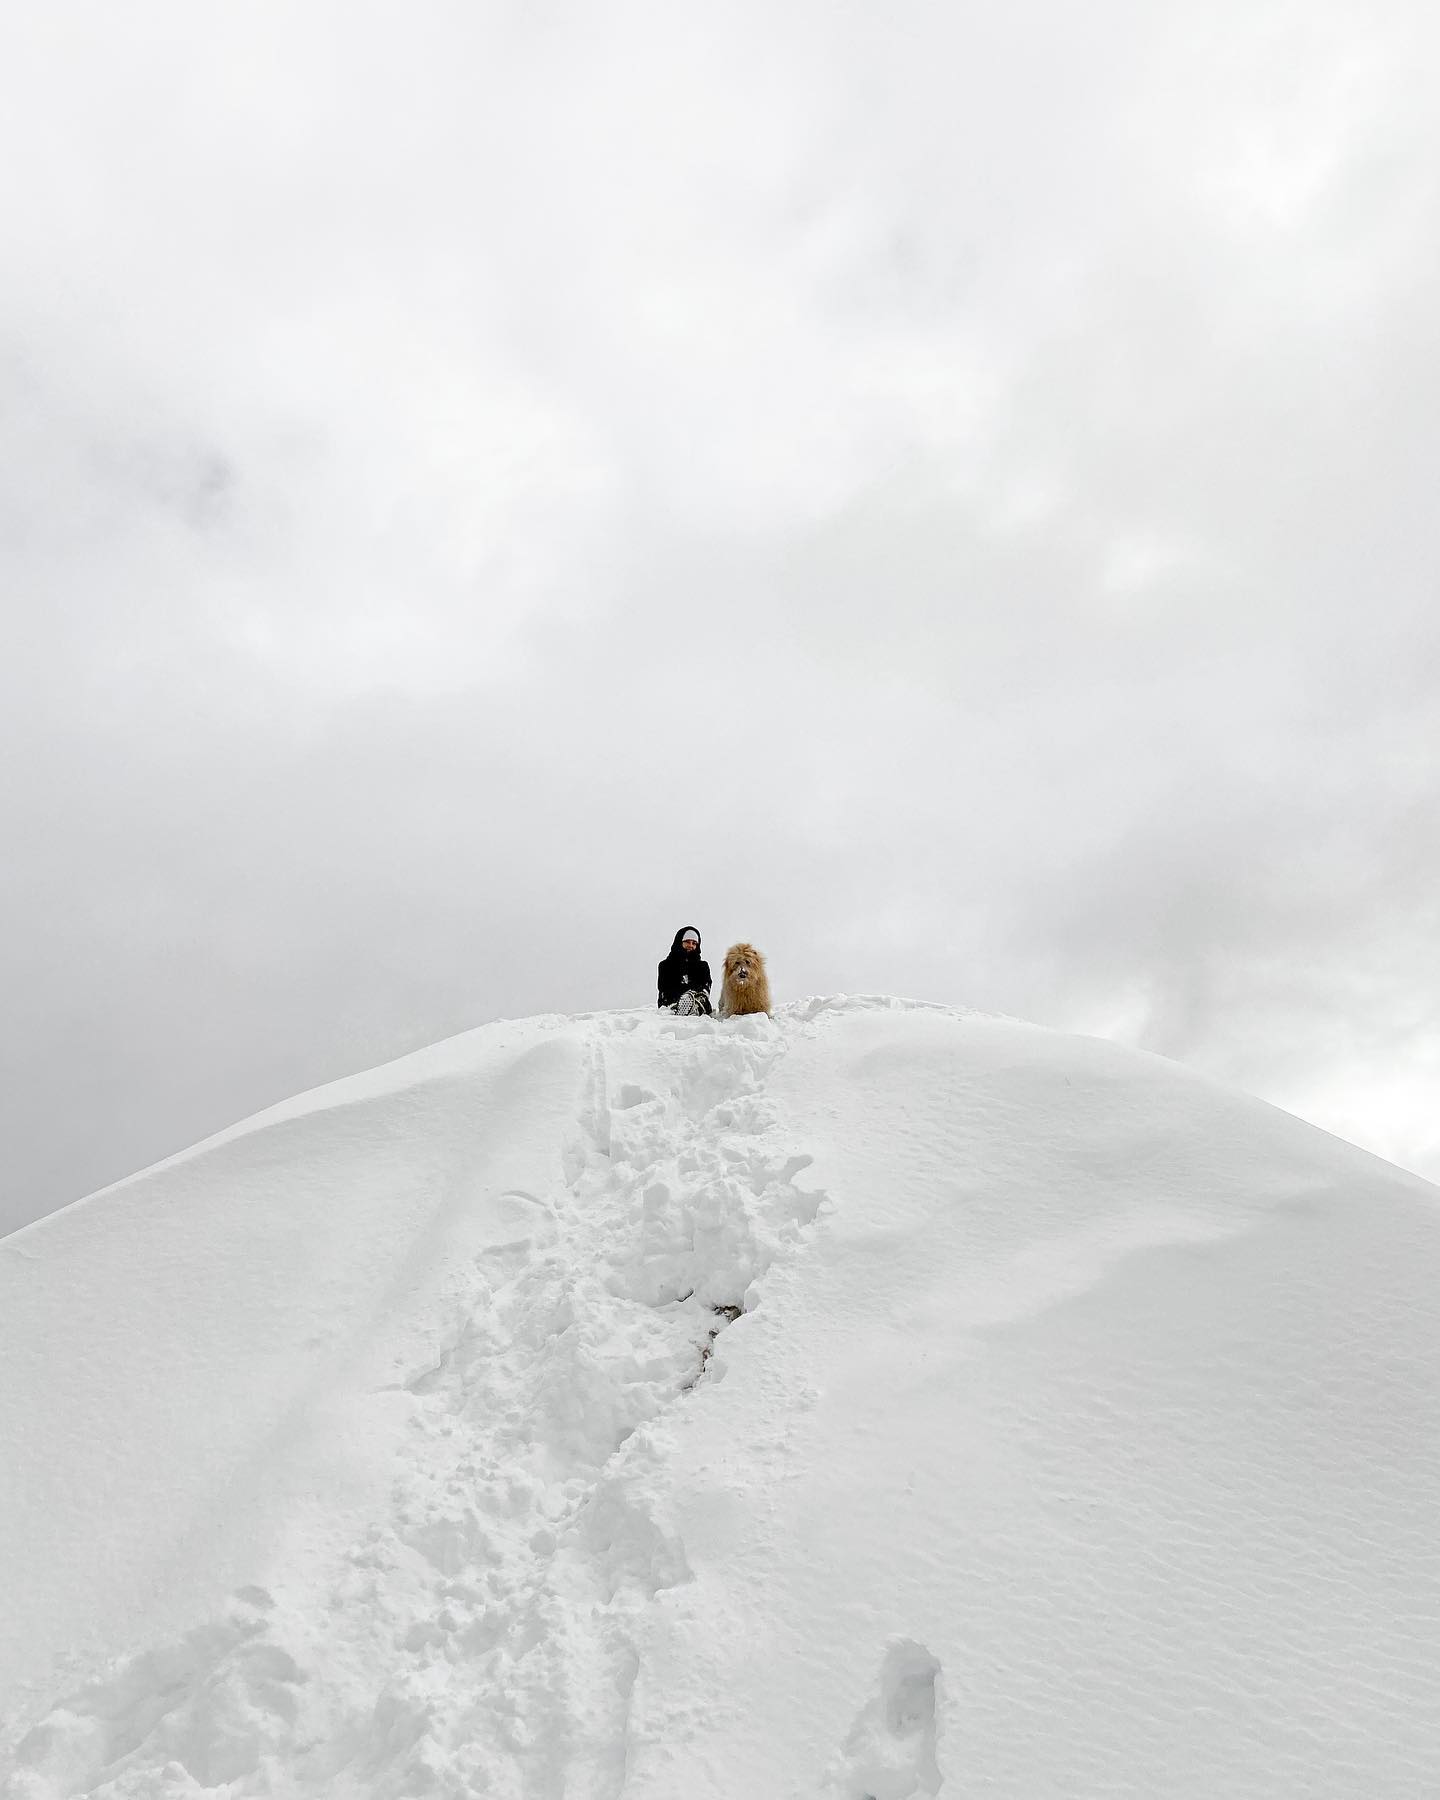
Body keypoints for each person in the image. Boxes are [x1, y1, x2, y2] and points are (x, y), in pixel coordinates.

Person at [657, 926, 712, 1015]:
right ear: (679, 942)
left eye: (694, 943)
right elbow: (665, 990)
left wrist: (692, 997)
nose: (690, 945)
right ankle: (681, 1008)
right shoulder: (665, 965)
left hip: (697, 1005)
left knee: (698, 999)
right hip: (671, 1005)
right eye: (687, 942)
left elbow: (705, 989)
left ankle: (692, 1008)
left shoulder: (703, 966)